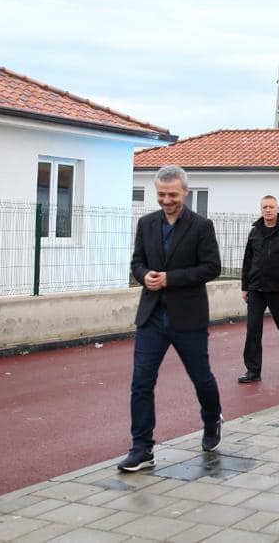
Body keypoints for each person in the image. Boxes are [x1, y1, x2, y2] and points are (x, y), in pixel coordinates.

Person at [118, 165, 223, 472]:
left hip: (188, 317)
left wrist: (169, 279)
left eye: (172, 195)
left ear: (185, 193)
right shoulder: (146, 223)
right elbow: (137, 262)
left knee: (201, 377)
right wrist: (144, 276)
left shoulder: (201, 226)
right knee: (141, 383)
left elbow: (211, 267)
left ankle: (212, 419)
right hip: (151, 317)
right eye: (161, 194)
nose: (166, 200)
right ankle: (142, 448)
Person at [238, 195, 279, 382]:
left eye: (271, 207)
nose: (268, 210)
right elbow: (248, 260)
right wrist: (245, 287)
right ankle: (253, 370)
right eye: (264, 207)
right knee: (253, 330)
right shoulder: (255, 231)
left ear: (277, 208)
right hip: (256, 289)